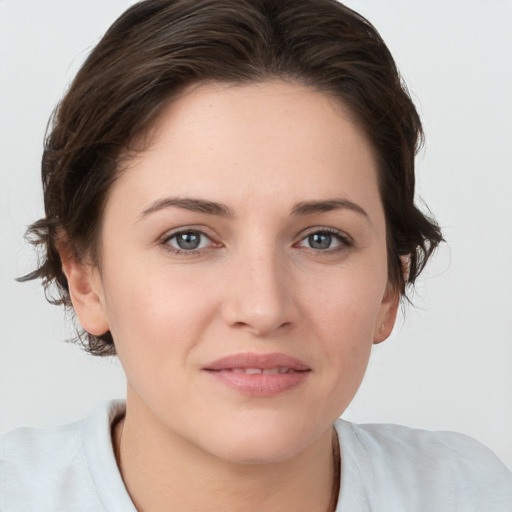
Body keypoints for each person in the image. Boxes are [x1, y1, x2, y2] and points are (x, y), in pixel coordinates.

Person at [1, 0, 511, 510]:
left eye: (322, 239)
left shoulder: (472, 492)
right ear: (84, 279)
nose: (264, 309)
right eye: (188, 239)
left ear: (388, 288)